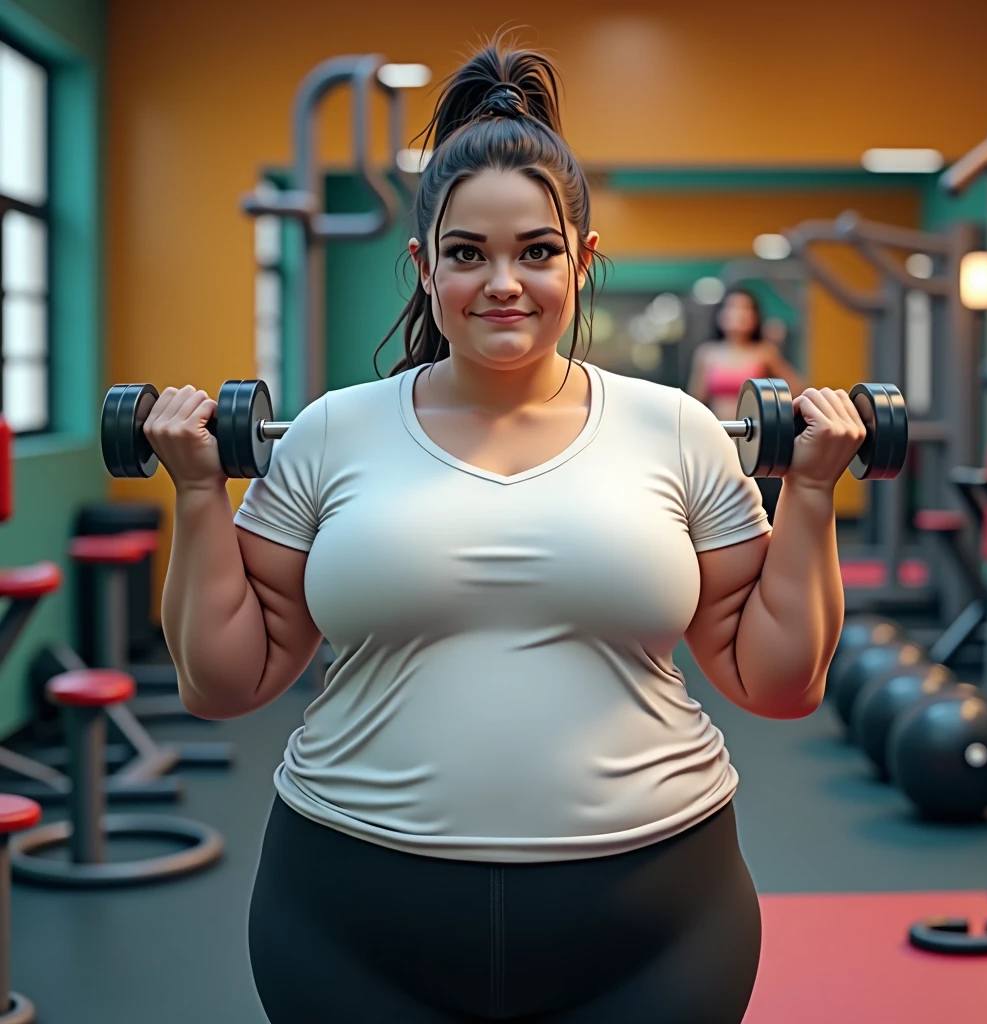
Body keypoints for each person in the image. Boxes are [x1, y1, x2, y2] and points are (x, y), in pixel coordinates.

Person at [149, 37, 865, 1024]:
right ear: (423, 263)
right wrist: (196, 491)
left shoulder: (678, 430)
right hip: (352, 913)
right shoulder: (329, 432)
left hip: (655, 916)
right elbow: (223, 681)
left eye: (536, 251)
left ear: (582, 258)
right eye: (466, 254)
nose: (503, 284)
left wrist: (813, 495)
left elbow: (779, 683)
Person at [688, 288, 806, 524]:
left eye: (745, 309)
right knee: (721, 511)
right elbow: (695, 400)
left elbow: (797, 389)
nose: (738, 314)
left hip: (757, 443)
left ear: (755, 317)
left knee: (760, 507)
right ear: (721, 315)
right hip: (720, 441)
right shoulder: (708, 354)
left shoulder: (765, 352)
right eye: (732, 308)